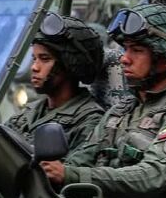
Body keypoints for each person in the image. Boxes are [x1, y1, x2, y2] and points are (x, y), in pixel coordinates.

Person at [41, 3, 166, 198]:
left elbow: (152, 177)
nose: (124, 59)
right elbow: (82, 157)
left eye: (137, 50)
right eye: (126, 49)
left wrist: (70, 175)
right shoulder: (122, 110)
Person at [6, 13, 104, 151]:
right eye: (34, 59)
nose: (34, 67)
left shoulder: (89, 121)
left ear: (69, 65)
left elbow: (65, 170)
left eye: (45, 59)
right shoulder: (29, 113)